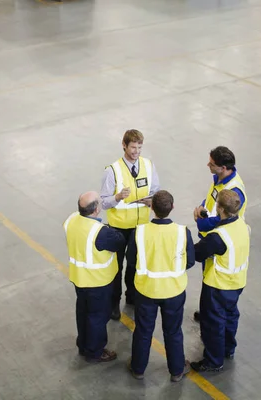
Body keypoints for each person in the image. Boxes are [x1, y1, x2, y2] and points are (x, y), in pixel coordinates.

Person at [124, 190, 195, 381]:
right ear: (172, 208)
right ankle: (177, 370)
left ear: (152, 207)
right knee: (173, 331)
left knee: (143, 330)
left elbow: (131, 261)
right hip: (174, 291)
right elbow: (190, 262)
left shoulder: (139, 232)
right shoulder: (183, 232)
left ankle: (138, 368)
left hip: (146, 290)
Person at [100, 129, 160, 320]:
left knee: (135, 265)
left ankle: (132, 297)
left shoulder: (148, 166)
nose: (136, 151)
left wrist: (151, 200)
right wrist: (117, 197)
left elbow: (156, 190)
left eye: (139, 147)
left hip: (140, 227)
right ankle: (113, 303)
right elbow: (103, 202)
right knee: (116, 268)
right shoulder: (113, 170)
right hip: (118, 228)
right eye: (133, 147)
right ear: (124, 145)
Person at [191, 190, 251, 373]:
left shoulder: (218, 237)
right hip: (237, 282)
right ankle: (228, 349)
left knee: (212, 323)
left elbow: (198, 253)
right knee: (231, 316)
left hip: (218, 286)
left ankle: (213, 361)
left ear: (220, 208)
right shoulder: (243, 226)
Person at [63, 191, 126, 363]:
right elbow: (119, 242)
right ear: (97, 209)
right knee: (98, 316)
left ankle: (83, 344)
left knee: (83, 312)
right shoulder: (101, 233)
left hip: (79, 279)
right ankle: (95, 351)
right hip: (98, 282)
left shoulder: (71, 220)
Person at [192, 146, 247, 322]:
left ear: (223, 168)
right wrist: (202, 208)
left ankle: (212, 315)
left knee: (215, 282)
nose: (208, 165)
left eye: (212, 164)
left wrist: (200, 221)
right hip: (211, 237)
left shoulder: (234, 189)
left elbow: (219, 220)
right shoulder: (218, 179)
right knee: (207, 275)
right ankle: (206, 310)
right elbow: (210, 199)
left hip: (221, 241)